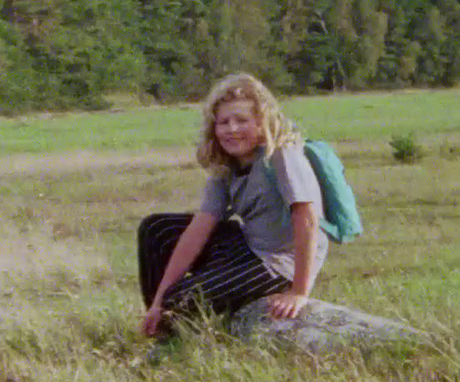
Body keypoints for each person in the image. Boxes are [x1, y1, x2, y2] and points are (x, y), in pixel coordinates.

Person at [138, 73, 327, 339]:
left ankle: (175, 340)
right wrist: (158, 300)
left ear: (262, 124)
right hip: (249, 246)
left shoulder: (281, 154)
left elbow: (307, 217)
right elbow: (199, 229)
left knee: (179, 301)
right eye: (224, 122)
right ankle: (159, 325)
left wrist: (299, 292)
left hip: (279, 263)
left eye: (242, 120)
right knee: (156, 228)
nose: (232, 129)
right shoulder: (225, 167)